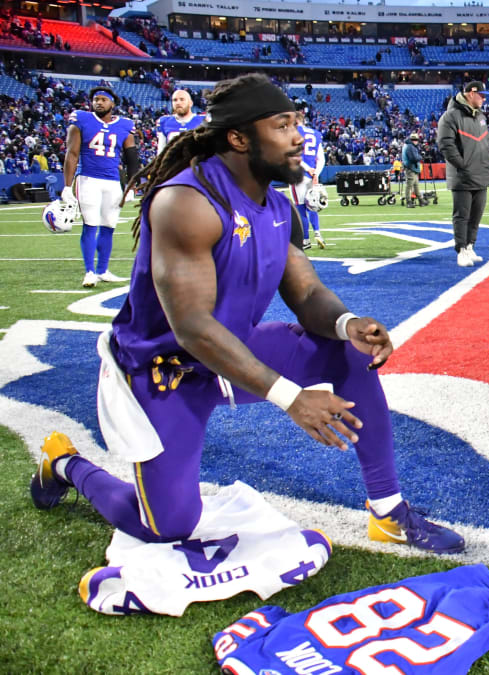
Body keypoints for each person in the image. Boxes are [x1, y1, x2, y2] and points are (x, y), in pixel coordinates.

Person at [30, 75, 464, 592]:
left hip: (230, 348)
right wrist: (289, 396)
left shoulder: (277, 205)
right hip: (164, 370)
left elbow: (304, 293)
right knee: (165, 526)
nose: (299, 136)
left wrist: (350, 324)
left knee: (348, 354)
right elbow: (191, 327)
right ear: (239, 138)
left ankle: (388, 510)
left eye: (298, 123)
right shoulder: (186, 202)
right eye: (282, 125)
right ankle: (66, 462)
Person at [63, 86, 139, 287]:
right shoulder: (81, 119)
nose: (98, 102)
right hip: (88, 179)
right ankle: (89, 272)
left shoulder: (125, 125)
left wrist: (131, 186)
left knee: (109, 226)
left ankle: (103, 270)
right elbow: (72, 153)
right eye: (96, 99)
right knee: (90, 225)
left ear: (112, 104)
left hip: (113, 182)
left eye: (103, 99)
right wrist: (66, 186)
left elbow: (132, 158)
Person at [437, 81, 489, 267]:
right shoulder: (450, 116)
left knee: (476, 215)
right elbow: (446, 144)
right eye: (482, 95)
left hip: (480, 174)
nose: (484, 99)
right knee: (462, 215)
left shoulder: (480, 116)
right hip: (463, 175)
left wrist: (486, 166)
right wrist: (462, 166)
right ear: (471, 93)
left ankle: (470, 246)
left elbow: (484, 144)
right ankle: (461, 250)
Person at [291, 103, 326, 249]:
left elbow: (294, 155)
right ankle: (318, 233)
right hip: (313, 176)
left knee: (300, 208)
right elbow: (321, 158)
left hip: (298, 174)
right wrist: (315, 173)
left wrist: (308, 169)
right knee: (313, 204)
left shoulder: (293, 133)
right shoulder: (316, 134)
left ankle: (305, 240)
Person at [155, 89, 205, 156]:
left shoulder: (203, 120)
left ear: (191, 103)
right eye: (175, 100)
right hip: (173, 164)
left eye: (182, 99)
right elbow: (161, 152)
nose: (178, 102)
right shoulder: (164, 121)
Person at [401, 132, 423, 208]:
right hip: (410, 168)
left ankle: (421, 200)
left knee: (415, 185)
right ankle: (409, 201)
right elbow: (413, 158)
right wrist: (420, 157)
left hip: (411, 168)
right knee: (409, 185)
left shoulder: (407, 145)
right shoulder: (410, 146)